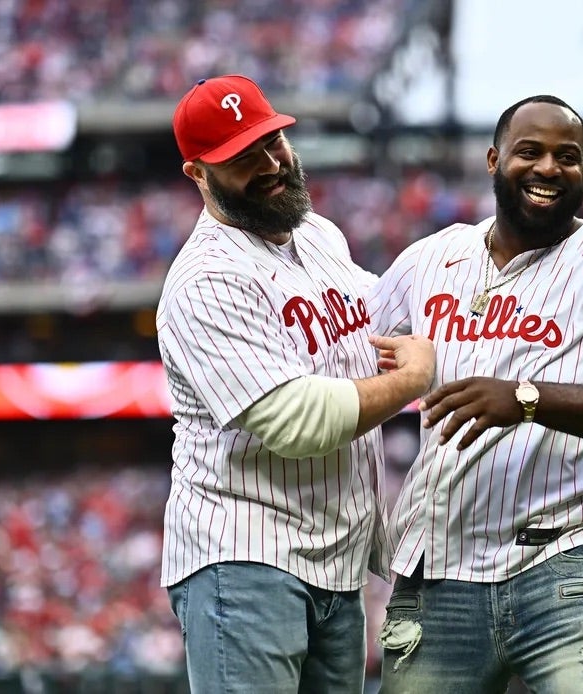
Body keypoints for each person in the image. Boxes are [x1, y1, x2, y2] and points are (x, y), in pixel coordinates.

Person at [367, 94, 583, 693]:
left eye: (567, 156)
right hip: (441, 572)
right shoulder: (430, 260)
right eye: (530, 152)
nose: (548, 168)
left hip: (572, 565)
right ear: (494, 160)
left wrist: (526, 399)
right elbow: (352, 354)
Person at [156, 74, 436, 694]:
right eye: (241, 156)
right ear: (197, 173)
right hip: (245, 558)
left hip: (335, 562)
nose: (269, 163)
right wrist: (414, 379)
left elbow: (388, 313)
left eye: (271, 140)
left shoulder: (318, 235)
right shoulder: (208, 279)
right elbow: (299, 420)